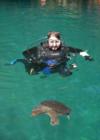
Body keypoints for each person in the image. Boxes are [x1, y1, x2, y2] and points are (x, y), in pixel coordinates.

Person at [9, 32, 93, 76]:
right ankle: (19, 60)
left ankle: (50, 73)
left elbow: (80, 51)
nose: (54, 44)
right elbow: (26, 54)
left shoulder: (65, 49)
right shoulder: (41, 49)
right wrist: (35, 60)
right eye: (51, 42)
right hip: (43, 65)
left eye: (56, 42)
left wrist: (87, 56)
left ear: (60, 41)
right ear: (48, 42)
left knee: (67, 74)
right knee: (31, 73)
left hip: (58, 64)